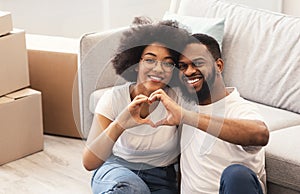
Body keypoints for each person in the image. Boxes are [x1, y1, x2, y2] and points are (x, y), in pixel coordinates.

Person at [148, 33, 270, 194]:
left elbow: (261, 134)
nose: (189, 71)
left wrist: (188, 117)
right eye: (183, 66)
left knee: (236, 175)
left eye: (198, 63)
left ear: (218, 66)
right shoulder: (183, 102)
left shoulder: (238, 108)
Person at [82, 17, 190, 194]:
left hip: (163, 178)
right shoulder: (113, 98)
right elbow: (89, 162)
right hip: (118, 170)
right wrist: (120, 124)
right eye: (150, 60)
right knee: (132, 190)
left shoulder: (177, 100)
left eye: (168, 63)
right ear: (135, 64)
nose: (158, 69)